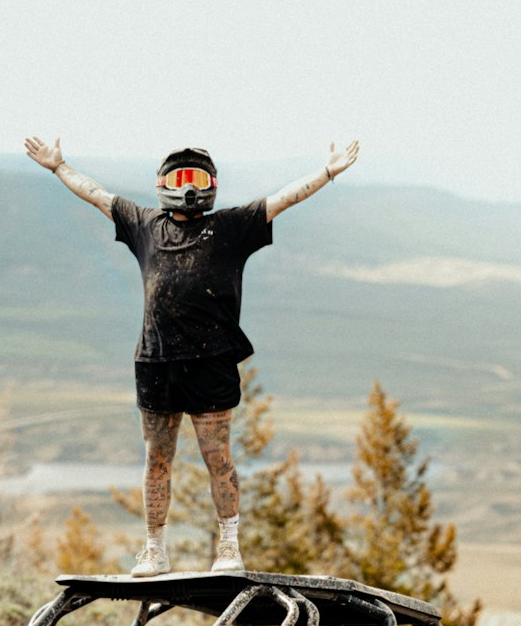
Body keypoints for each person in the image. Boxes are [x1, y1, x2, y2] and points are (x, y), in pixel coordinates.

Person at [23, 135, 360, 575]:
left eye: (196, 178)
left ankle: (228, 547)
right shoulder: (144, 224)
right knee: (156, 460)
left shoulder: (232, 227)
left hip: (211, 360)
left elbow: (281, 200)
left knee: (217, 458)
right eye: (180, 178)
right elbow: (97, 196)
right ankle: (155, 549)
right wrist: (58, 167)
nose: (188, 188)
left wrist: (329, 172)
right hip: (156, 361)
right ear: (163, 184)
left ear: (212, 184)